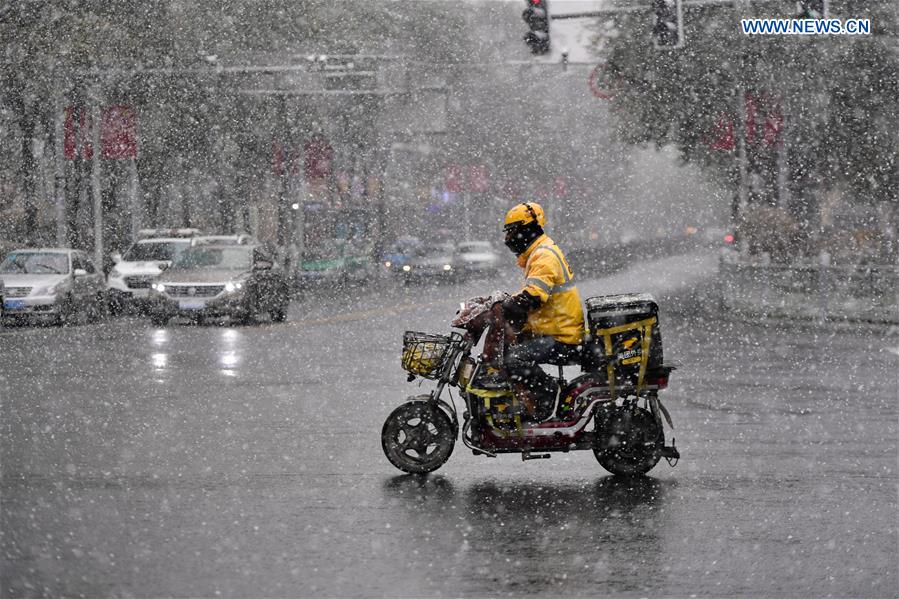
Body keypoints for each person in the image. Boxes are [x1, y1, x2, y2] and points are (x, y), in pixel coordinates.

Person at [497, 202, 585, 420]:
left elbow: (534, 295)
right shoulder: (538, 253)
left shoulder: (543, 255)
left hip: (562, 336)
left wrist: (508, 307)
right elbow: (533, 291)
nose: (509, 239)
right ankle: (526, 398)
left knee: (514, 359)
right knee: (509, 350)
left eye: (513, 231)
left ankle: (547, 395)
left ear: (528, 228)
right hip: (555, 329)